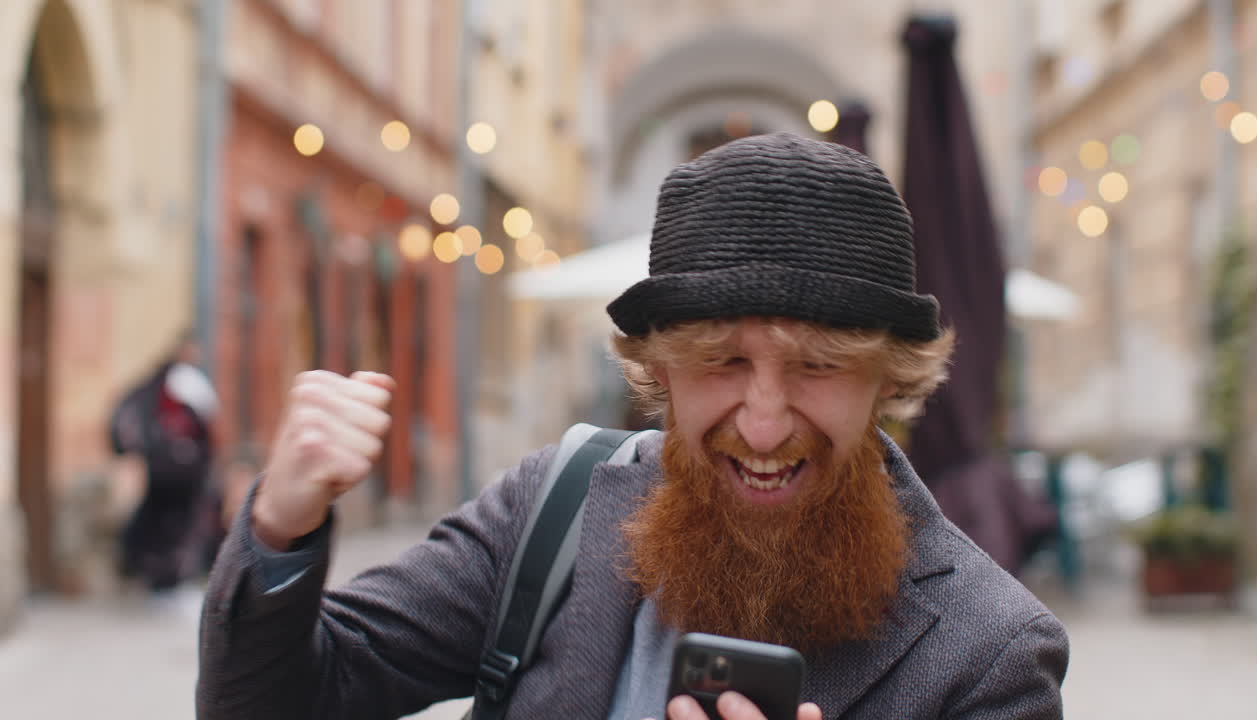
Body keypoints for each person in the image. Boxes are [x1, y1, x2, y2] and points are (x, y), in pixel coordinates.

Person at [197, 133, 1068, 719]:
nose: (764, 426)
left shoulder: (988, 654)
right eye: (721, 361)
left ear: (888, 379)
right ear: (657, 369)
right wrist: (282, 524)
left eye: (819, 365)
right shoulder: (557, 509)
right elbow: (281, 699)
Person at [111, 332, 219, 592]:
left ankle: (162, 577)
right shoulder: (182, 382)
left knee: (163, 521)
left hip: (168, 468)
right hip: (177, 469)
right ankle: (165, 579)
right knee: (172, 525)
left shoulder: (166, 381)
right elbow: (207, 420)